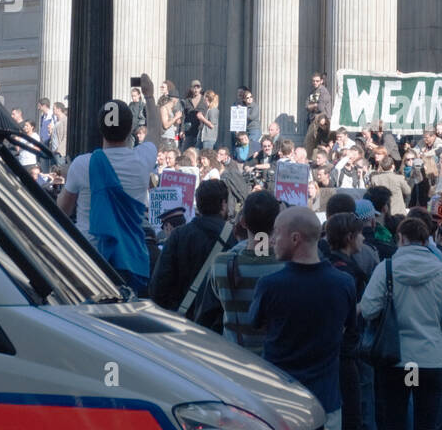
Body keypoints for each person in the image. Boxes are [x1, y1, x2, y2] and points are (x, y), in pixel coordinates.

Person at [357, 216, 442, 430]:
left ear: (399, 238)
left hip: (394, 360)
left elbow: (369, 308)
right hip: (430, 359)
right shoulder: (441, 272)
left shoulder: (385, 269)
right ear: (427, 240)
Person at [248, 206, 355, 430]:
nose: (272, 239)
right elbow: (351, 332)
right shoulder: (344, 284)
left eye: (277, 233)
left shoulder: (270, 286)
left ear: (296, 238)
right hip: (326, 402)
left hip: (278, 404)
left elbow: (255, 324)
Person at [58, 83, 160, 292]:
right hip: (131, 259)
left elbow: (62, 211)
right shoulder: (142, 160)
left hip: (89, 260)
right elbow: (156, 132)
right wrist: (149, 96)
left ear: (100, 128)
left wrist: (69, 177)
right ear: (131, 128)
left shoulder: (82, 164)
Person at [323, 212, 382, 430]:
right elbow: (355, 319)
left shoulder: (324, 266)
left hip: (326, 357)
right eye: (359, 235)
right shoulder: (350, 274)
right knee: (352, 424)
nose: (363, 239)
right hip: (347, 358)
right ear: (349, 238)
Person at [149, 179, 234, 324]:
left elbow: (158, 288)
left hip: (181, 322)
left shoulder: (178, 236)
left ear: (198, 205)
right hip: (219, 327)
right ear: (223, 204)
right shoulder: (234, 238)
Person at [212, 190, 285, 356]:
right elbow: (261, 251)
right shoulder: (289, 266)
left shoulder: (221, 263)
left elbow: (217, 296)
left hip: (234, 356)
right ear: (277, 223)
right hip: (275, 361)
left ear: (243, 222)